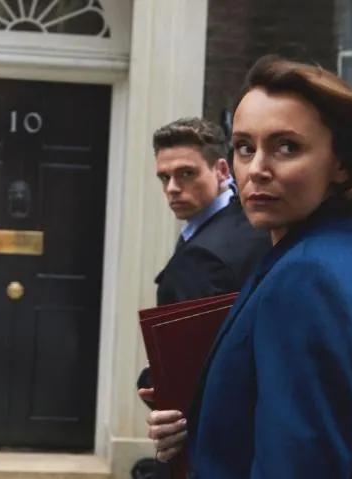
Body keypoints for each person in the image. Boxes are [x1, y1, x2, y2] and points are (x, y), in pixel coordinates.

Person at [146, 56, 352, 478]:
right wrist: (198, 428)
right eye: (245, 147)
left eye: (287, 147)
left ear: (341, 164)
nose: (257, 170)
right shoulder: (349, 256)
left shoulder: (307, 280)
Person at [135, 117, 271, 476]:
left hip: (207, 444)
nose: (172, 188)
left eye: (186, 174)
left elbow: (188, 371)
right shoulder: (252, 224)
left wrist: (151, 383)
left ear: (221, 169)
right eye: (164, 177)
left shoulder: (203, 258)